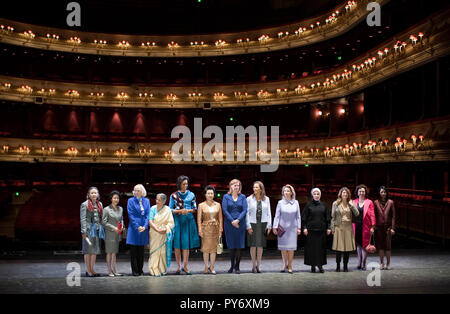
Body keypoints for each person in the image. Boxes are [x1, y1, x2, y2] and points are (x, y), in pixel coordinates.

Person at [169, 175, 200, 275]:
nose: (185, 185)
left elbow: (195, 209)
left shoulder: (192, 195)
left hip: (188, 221)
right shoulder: (173, 195)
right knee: (177, 245)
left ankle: (185, 266)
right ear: (179, 184)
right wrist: (179, 211)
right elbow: (170, 209)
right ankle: (178, 267)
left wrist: (188, 210)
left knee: (186, 245)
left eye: (186, 184)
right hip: (177, 221)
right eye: (183, 184)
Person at [273, 184, 301, 274]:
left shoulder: (296, 202)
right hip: (282, 228)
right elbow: (277, 216)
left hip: (292, 228)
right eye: (285, 191)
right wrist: (274, 227)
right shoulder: (280, 203)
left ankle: (290, 265)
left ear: (291, 192)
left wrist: (299, 227)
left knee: (291, 248)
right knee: (284, 248)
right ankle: (284, 264)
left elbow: (298, 216)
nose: (286, 192)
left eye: (288, 191)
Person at [302, 187, 331, 273]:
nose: (316, 195)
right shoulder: (308, 205)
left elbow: (328, 218)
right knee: (311, 249)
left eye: (318, 194)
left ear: (320, 195)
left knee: (321, 249)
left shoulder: (324, 205)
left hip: (321, 231)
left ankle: (320, 265)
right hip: (310, 231)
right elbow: (304, 218)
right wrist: (304, 228)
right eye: (314, 194)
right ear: (312, 195)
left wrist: (329, 227)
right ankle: (313, 266)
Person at [222, 179, 248, 274]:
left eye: (237, 185)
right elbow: (225, 210)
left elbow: (245, 210)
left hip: (240, 224)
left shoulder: (243, 197)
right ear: (230, 186)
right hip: (229, 224)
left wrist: (238, 220)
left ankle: (237, 267)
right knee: (231, 246)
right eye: (234, 185)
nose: (236, 187)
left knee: (239, 246)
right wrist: (232, 221)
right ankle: (232, 265)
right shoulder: (226, 197)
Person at [246, 181, 272, 273]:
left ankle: (259, 265)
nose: (255, 189)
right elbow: (247, 213)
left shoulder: (267, 199)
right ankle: (253, 265)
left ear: (261, 189)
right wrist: (248, 226)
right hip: (252, 224)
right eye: (254, 187)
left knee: (260, 246)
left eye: (257, 187)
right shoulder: (249, 199)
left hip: (263, 224)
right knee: (253, 246)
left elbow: (269, 213)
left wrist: (269, 225)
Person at [331, 187, 359, 272]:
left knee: (347, 249)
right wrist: (332, 228)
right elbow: (333, 217)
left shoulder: (351, 203)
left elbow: (357, 213)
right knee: (339, 249)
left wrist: (351, 205)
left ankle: (345, 266)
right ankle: (338, 266)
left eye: (346, 193)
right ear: (341, 194)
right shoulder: (335, 203)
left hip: (348, 227)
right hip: (339, 227)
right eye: (343, 193)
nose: (345, 194)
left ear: (348, 194)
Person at [197, 185, 223, 275]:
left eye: (211, 193)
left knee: (213, 249)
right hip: (205, 230)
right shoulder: (201, 205)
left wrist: (220, 230)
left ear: (214, 194)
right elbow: (199, 219)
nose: (210, 195)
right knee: (205, 249)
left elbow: (220, 218)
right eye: (208, 193)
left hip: (215, 229)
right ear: (205, 194)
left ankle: (212, 267)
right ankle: (205, 266)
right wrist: (200, 230)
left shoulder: (218, 205)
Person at [126, 184, 150, 276]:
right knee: (134, 251)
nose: (135, 192)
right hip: (134, 227)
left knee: (141, 251)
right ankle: (135, 270)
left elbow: (148, 214)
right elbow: (130, 215)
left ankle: (140, 270)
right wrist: (137, 226)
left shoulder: (146, 201)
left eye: (138, 190)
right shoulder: (130, 200)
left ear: (142, 192)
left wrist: (145, 226)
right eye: (134, 190)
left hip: (143, 227)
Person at [148, 193, 175, 277]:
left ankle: (162, 269)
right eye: (156, 199)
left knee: (163, 252)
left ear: (164, 201)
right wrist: (157, 229)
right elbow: (150, 221)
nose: (157, 201)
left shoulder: (167, 210)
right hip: (154, 232)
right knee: (154, 251)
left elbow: (171, 222)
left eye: (159, 200)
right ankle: (154, 269)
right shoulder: (152, 208)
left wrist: (165, 228)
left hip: (163, 233)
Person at [80, 186, 104, 277]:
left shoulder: (100, 204)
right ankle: (88, 270)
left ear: (98, 195)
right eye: (92, 193)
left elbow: (101, 217)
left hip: (97, 230)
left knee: (94, 250)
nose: (94, 194)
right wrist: (83, 231)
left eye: (95, 193)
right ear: (89, 195)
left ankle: (92, 269)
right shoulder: (84, 204)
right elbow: (83, 219)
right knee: (88, 250)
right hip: (88, 230)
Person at [353, 184, 376, 271]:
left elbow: (372, 215)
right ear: (357, 193)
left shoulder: (369, 202)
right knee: (358, 245)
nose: (361, 193)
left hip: (366, 226)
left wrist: (373, 226)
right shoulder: (353, 201)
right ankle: (359, 262)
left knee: (365, 245)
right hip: (356, 226)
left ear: (365, 192)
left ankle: (363, 263)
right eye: (360, 191)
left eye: (363, 191)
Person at [102, 190, 124, 277]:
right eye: (114, 198)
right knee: (109, 253)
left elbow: (121, 219)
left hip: (118, 233)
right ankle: (110, 271)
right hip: (110, 234)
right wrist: (114, 228)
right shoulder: (106, 209)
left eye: (117, 198)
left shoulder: (120, 208)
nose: (116, 199)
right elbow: (103, 222)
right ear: (111, 199)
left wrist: (122, 227)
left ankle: (115, 270)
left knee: (114, 253)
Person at [374, 186, 396, 270]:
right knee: (380, 247)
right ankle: (381, 263)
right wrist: (374, 226)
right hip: (379, 228)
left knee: (388, 247)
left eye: (384, 192)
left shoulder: (391, 202)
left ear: (387, 193)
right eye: (382, 192)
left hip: (388, 228)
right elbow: (374, 215)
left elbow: (393, 216)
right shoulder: (375, 202)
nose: (383, 193)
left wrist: (393, 228)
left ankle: (388, 263)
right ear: (379, 193)